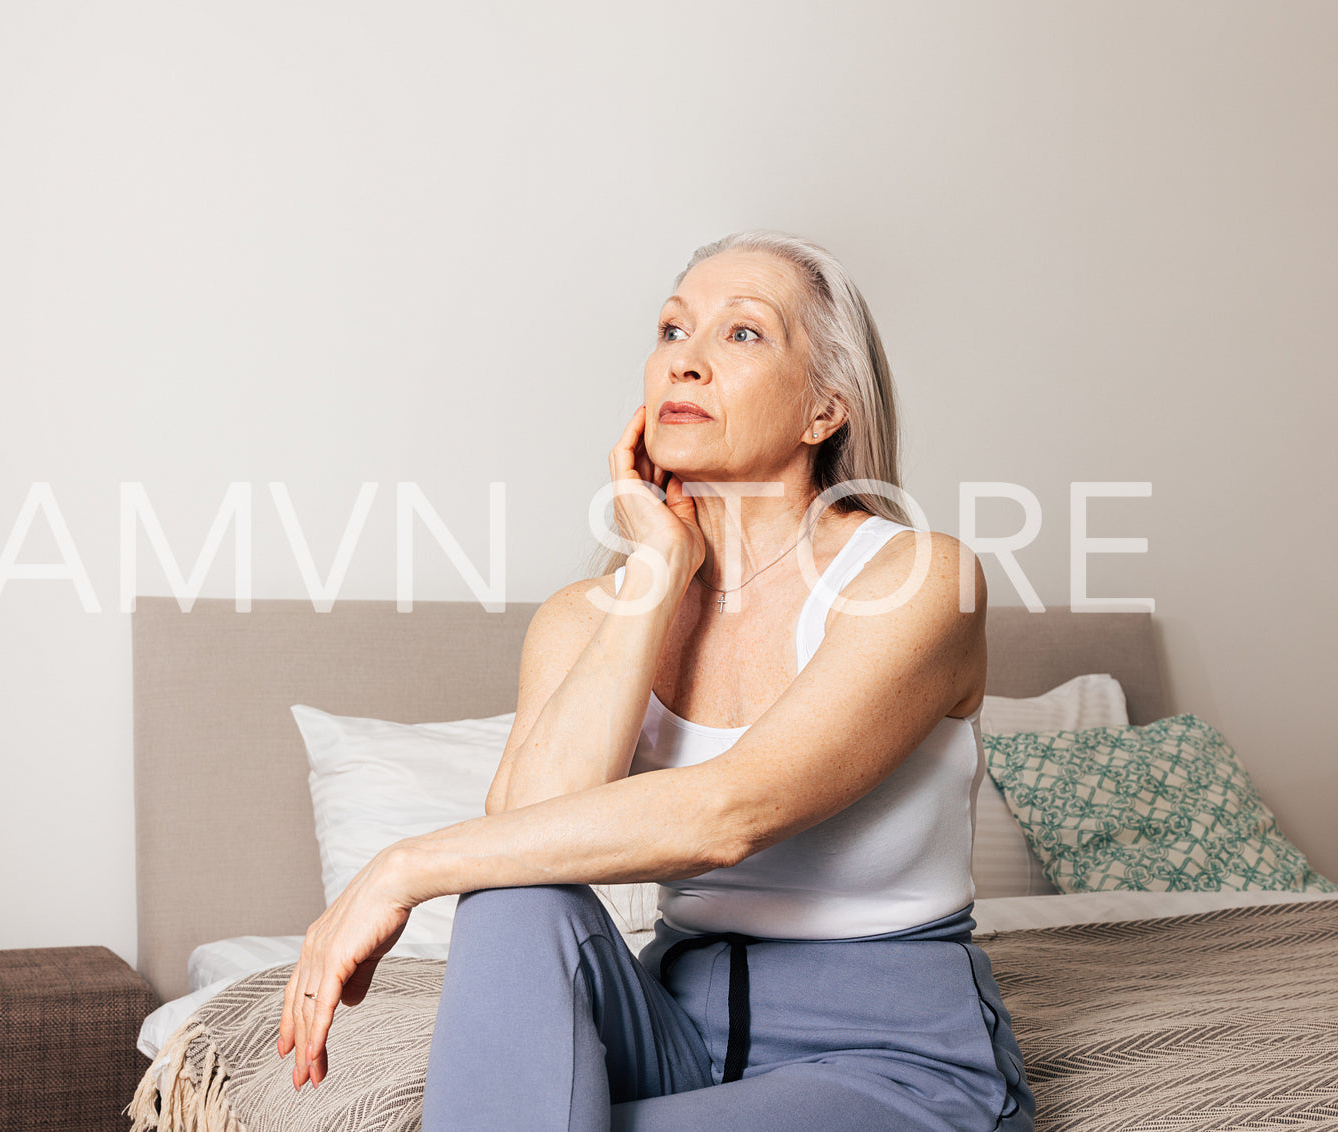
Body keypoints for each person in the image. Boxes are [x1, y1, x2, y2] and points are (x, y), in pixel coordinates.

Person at [274, 230, 1037, 1131]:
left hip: (884, 1059)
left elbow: (732, 815)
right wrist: (654, 573)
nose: (687, 361)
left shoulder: (915, 580)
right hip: (668, 1030)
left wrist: (400, 869)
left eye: (741, 334)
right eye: (673, 330)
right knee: (512, 890)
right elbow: (523, 833)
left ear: (823, 409)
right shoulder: (586, 615)